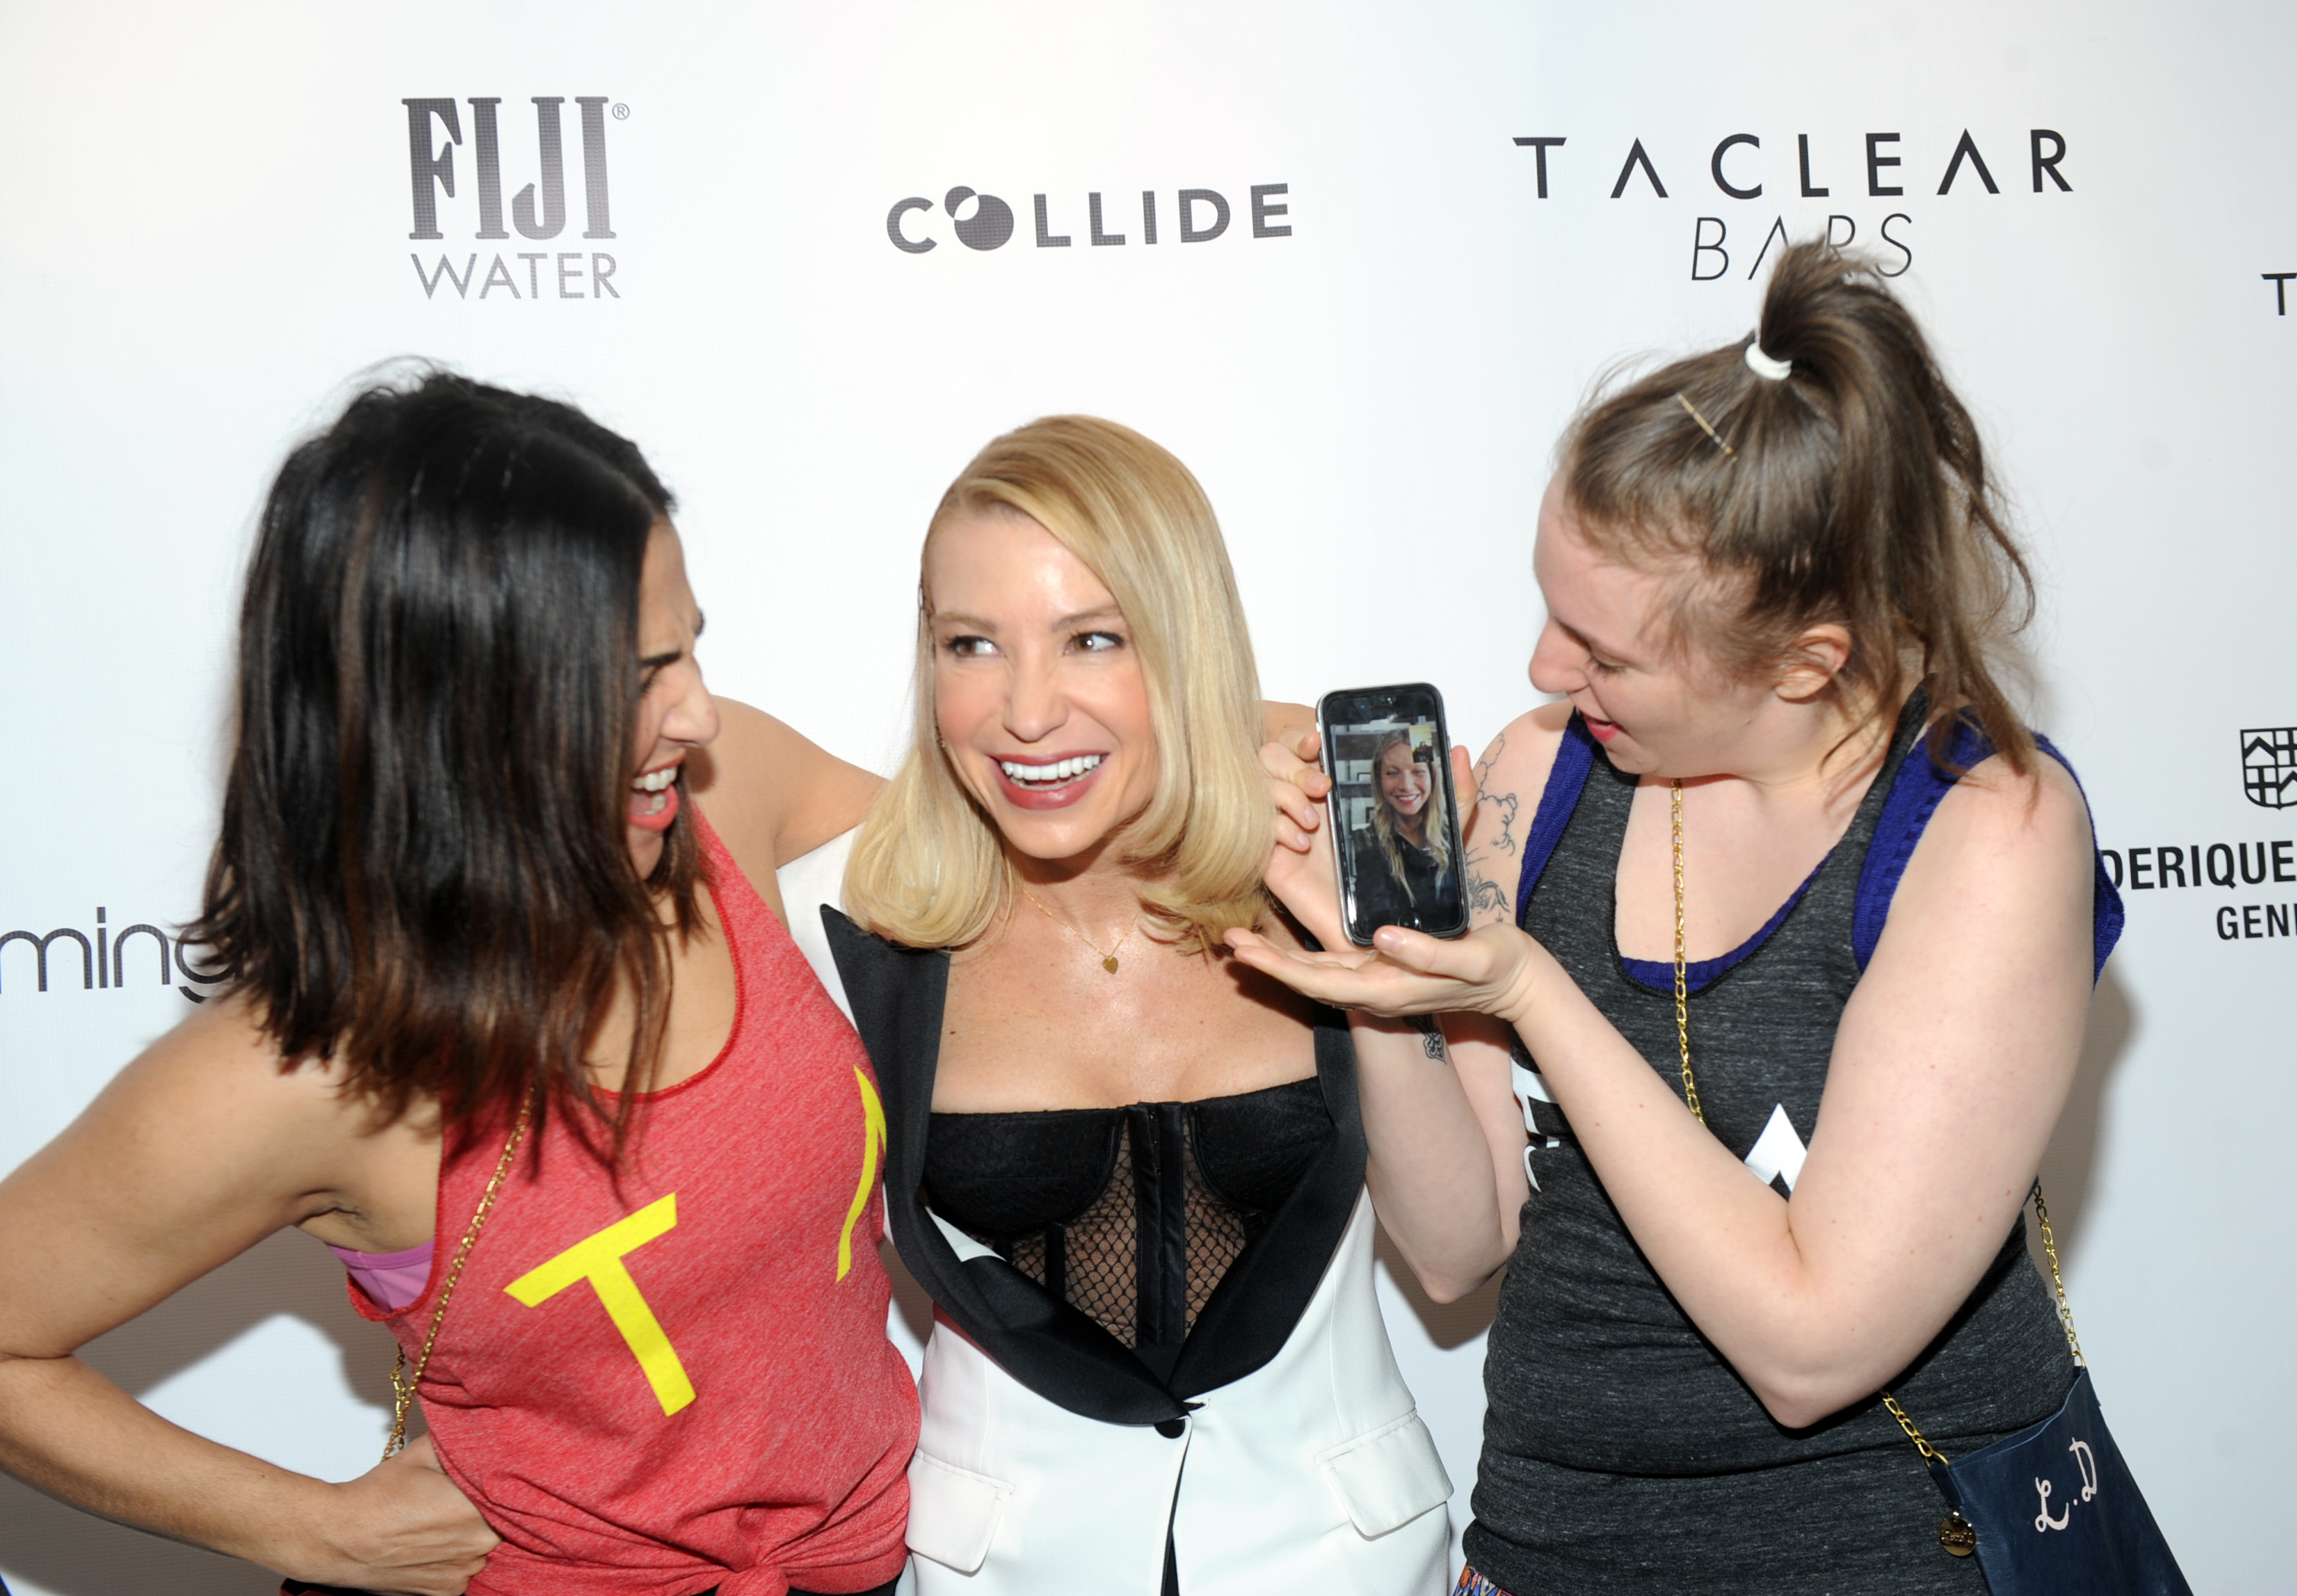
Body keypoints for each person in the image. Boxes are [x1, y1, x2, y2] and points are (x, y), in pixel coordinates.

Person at [1227, 242, 2124, 1594]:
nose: (1543, 667)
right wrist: (1371, 973)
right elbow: (1461, 1245)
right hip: (1546, 1552)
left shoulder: (1985, 830)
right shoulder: (1545, 771)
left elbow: (1812, 1345)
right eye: (1551, 615)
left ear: (1804, 663)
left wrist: (1531, 993)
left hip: (1890, 1562)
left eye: (1606, 653)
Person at [0, 373, 918, 1596]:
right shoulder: (307, 1070)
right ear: (461, 703)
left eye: (691, 647)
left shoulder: (720, 788)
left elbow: (996, 866)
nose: (696, 713)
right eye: (638, 674)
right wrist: (310, 1530)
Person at [811, 417, 1472, 1596]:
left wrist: (1364, 966)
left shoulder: (1328, 872)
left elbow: (1461, 1253)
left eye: (1093, 638)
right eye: (972, 643)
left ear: (1183, 642)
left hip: (1343, 1564)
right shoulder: (855, 922)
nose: (1025, 710)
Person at [1346, 729, 1452, 932]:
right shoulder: (1367, 840)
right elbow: (1375, 919)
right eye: (1393, 773)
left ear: (1432, 776)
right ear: (1379, 780)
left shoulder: (1453, 835)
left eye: (1418, 771)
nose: (1406, 785)